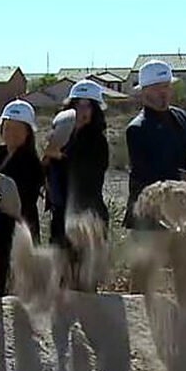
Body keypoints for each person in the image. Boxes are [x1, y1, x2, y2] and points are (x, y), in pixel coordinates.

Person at [124, 59, 186, 313]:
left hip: (184, 215)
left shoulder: (180, 118)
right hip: (149, 217)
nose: (162, 93)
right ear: (144, 92)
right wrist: (179, 181)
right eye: (155, 88)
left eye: (165, 87)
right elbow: (146, 173)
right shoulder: (137, 129)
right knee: (144, 279)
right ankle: (140, 327)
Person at [43, 80, 110, 291]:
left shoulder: (97, 142)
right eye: (77, 105)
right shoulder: (61, 137)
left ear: (95, 110)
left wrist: (59, 155)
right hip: (60, 218)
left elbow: (87, 175)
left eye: (87, 106)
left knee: (85, 283)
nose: (81, 111)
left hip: (88, 219)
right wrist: (47, 157)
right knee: (62, 281)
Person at [0, 99, 44, 297]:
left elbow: (24, 195)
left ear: (28, 133)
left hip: (20, 229)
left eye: (18, 129)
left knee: (22, 284)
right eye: (8, 128)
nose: (12, 134)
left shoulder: (31, 164)